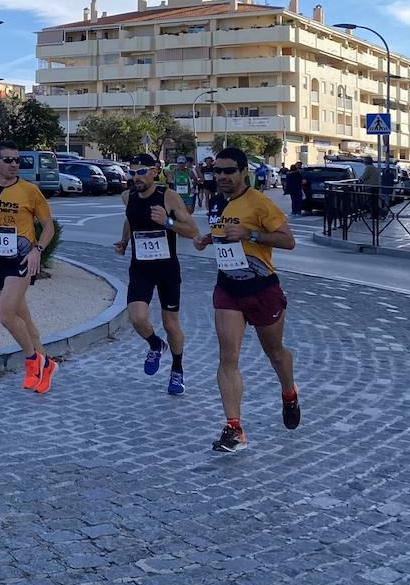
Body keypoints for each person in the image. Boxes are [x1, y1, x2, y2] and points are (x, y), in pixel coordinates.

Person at [194, 146, 301, 453]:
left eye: (230, 171)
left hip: (262, 288)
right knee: (228, 357)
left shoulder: (259, 203)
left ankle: (289, 393)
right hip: (228, 287)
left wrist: (249, 235)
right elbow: (221, 233)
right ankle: (234, 428)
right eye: (219, 171)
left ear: (243, 172)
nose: (223, 177)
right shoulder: (216, 201)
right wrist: (206, 239)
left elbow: (288, 241)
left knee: (275, 352)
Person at [0, 140, 58, 393]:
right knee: (24, 319)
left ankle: (32, 362)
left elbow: (48, 226)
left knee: (5, 314)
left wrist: (38, 251)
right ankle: (47, 364)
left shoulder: (29, 190)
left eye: (17, 160)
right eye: (8, 160)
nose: (14, 165)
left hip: (23, 258)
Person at [113, 153, 200, 394]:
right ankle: (155, 344)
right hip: (140, 268)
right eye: (132, 172)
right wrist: (123, 241)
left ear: (154, 172)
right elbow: (130, 218)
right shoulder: (127, 195)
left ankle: (177, 369)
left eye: (141, 172)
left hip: (167, 270)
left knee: (171, 324)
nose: (136, 177)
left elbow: (193, 230)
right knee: (137, 318)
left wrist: (168, 223)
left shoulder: (168, 197)